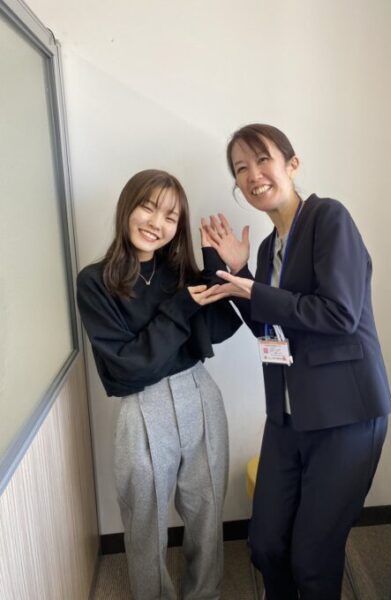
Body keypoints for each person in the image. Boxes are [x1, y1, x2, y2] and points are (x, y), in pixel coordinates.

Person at [202, 124, 391, 600]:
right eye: (240, 169)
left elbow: (340, 314)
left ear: (292, 164)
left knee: (312, 560)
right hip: (288, 416)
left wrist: (256, 289)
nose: (253, 175)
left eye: (262, 159)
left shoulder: (329, 218)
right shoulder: (269, 249)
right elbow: (270, 328)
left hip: (346, 415)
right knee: (266, 544)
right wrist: (242, 274)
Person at [77, 169, 241, 600]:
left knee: (207, 511)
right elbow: (127, 367)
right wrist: (180, 308)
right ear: (127, 208)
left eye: (170, 216)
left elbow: (220, 330)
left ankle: (205, 593)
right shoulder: (95, 281)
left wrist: (216, 267)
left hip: (199, 394)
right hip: (141, 407)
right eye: (148, 208)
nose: (156, 223)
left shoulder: (180, 273)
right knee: (144, 520)